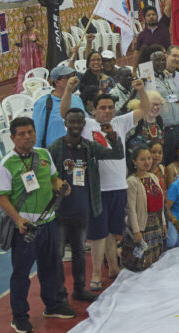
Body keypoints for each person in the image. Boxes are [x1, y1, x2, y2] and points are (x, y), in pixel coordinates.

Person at [0, 116, 74, 333]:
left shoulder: (44, 154)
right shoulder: (5, 165)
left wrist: (60, 185)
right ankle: (19, 316)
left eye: (30, 132)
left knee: (51, 266)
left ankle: (53, 305)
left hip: (48, 222)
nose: (27, 136)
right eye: (21, 134)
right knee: (21, 273)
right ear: (12, 138)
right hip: (26, 227)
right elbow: (2, 198)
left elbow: (53, 178)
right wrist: (19, 220)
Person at [47, 108, 123, 304]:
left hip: (83, 211)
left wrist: (113, 137)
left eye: (79, 122)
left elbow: (116, 154)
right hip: (60, 213)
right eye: (71, 122)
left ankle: (79, 289)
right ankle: (59, 295)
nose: (75, 126)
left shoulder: (88, 147)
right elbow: (47, 177)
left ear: (84, 124)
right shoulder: (55, 148)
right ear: (65, 123)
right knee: (57, 255)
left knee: (80, 254)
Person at [123, 145, 166, 271]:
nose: (147, 162)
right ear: (134, 162)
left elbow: (161, 202)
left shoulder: (153, 177)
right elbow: (130, 209)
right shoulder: (132, 181)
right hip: (142, 224)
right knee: (140, 264)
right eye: (142, 159)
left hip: (156, 222)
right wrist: (136, 231)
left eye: (149, 158)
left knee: (154, 261)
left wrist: (163, 222)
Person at [33, 65, 84, 148]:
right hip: (55, 152)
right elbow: (37, 134)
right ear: (57, 82)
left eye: (73, 75)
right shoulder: (43, 103)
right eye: (68, 77)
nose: (72, 79)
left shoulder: (77, 99)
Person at [14, 15, 44, 94]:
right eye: (27, 21)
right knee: (24, 70)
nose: (28, 23)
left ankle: (36, 87)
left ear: (33, 22)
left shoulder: (36, 32)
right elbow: (22, 44)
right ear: (24, 23)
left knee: (35, 70)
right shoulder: (22, 33)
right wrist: (19, 44)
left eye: (30, 21)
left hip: (34, 55)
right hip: (25, 56)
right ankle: (24, 88)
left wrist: (34, 41)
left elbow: (42, 44)